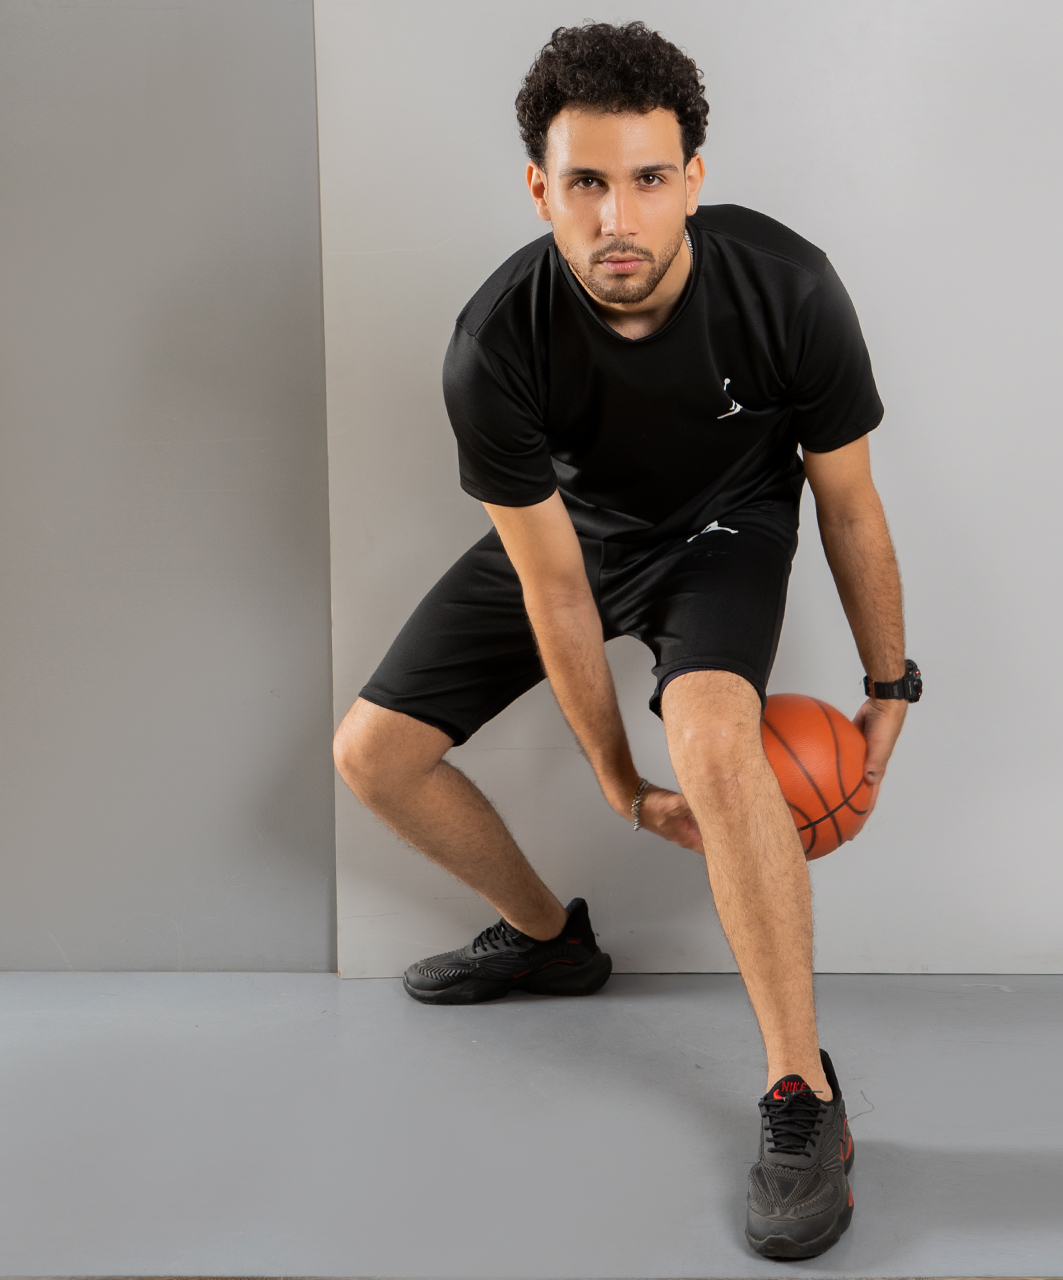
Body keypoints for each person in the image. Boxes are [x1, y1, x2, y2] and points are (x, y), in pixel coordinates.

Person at [332, 21, 918, 1261]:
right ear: (538, 187)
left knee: (712, 740)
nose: (618, 218)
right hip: (579, 536)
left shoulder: (788, 287)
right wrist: (612, 779)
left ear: (692, 176)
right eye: (585, 182)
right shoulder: (495, 343)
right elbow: (553, 587)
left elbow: (848, 503)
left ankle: (800, 1090)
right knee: (371, 756)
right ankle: (551, 940)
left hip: (724, 531)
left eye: (648, 178)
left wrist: (888, 683)